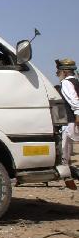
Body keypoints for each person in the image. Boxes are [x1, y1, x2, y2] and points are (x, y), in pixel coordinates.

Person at [55, 58, 79, 188]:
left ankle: (68, 177)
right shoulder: (75, 81)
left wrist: (77, 116)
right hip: (72, 120)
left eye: (59, 71)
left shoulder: (66, 83)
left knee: (65, 149)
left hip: (70, 121)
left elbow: (74, 101)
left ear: (64, 71)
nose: (57, 73)